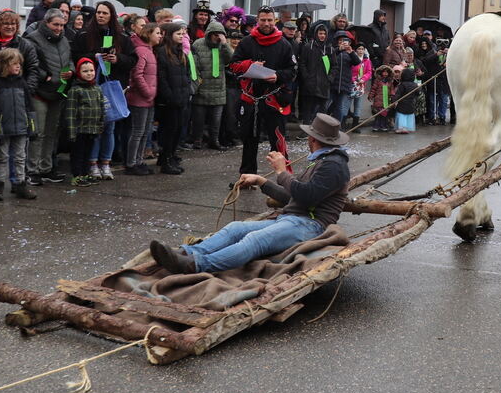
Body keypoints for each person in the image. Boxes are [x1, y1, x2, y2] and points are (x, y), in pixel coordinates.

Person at [148, 113, 351, 274]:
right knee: (236, 228)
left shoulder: (333, 165)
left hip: (310, 225)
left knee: (255, 240)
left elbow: (306, 196)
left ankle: (195, 265)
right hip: (293, 218)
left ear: (313, 139)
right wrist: (262, 181)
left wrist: (281, 171)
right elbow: (294, 197)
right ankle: (187, 253)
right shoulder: (322, 160)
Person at [229, 6, 297, 175]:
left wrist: (278, 76)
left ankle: (285, 177)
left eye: (269, 20)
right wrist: (249, 66)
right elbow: (233, 66)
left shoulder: (284, 44)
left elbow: (293, 70)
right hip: (251, 99)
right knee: (249, 139)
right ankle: (247, 175)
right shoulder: (246, 42)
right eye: (263, 20)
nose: (266, 23)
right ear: (257, 21)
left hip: (274, 98)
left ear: (274, 20)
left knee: (278, 140)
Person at [73, 0, 135, 169]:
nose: (100, 16)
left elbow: (132, 60)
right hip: (90, 87)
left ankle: (105, 163)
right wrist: (94, 57)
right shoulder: (84, 34)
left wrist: (118, 59)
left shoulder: (121, 37)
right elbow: (75, 56)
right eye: (98, 12)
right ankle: (92, 163)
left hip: (112, 87)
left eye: (104, 13)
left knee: (109, 127)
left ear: (111, 16)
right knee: (94, 128)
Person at [22, 7, 72, 185]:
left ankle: (46, 168)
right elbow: (28, 63)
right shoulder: (32, 39)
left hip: (58, 93)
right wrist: (45, 75)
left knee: (51, 133)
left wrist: (71, 71)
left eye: (61, 25)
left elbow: (69, 60)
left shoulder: (64, 40)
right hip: (40, 93)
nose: (59, 28)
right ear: (46, 23)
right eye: (55, 25)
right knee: (38, 133)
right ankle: (32, 170)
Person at [0, 48, 37, 201]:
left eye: (19, 64)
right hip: (3, 128)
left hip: (21, 127)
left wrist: (32, 127)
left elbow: (29, 106)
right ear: (4, 65)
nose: (18, 67)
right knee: (1, 157)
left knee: (20, 157)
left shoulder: (22, 83)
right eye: (14, 63)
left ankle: (20, 184)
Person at [154, 22, 192, 174]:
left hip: (181, 98)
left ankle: (169, 156)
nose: (182, 37)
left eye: (183, 34)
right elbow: (162, 78)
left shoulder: (181, 52)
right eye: (178, 34)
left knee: (177, 130)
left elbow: (187, 75)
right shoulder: (163, 52)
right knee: (169, 131)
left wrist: (186, 92)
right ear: (170, 36)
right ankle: (166, 160)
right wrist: (170, 96)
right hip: (169, 101)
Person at [61, 58, 106, 187]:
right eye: (85, 71)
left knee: (88, 153)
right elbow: (70, 113)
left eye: (91, 70)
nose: (89, 73)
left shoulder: (97, 88)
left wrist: (101, 124)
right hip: (79, 129)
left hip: (92, 128)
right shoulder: (75, 90)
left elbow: (102, 108)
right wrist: (71, 131)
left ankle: (85, 173)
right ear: (79, 72)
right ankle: (76, 175)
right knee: (78, 154)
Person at [124, 21, 160, 176]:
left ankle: (139, 161)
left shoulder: (149, 50)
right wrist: (147, 92)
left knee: (146, 131)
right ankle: (131, 163)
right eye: (157, 33)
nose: (160, 36)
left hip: (149, 98)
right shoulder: (140, 51)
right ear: (149, 34)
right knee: (138, 131)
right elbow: (137, 75)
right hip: (140, 98)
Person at [189, 20, 231, 150]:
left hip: (218, 89)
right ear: (209, 34)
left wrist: (225, 44)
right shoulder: (198, 44)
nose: (217, 37)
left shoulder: (223, 46)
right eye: (215, 34)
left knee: (216, 120)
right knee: (198, 120)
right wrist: (196, 83)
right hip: (202, 88)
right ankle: (197, 141)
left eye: (220, 34)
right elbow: (194, 65)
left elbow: (232, 60)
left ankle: (214, 141)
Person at [297, 23, 330, 124]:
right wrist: (307, 77)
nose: (322, 36)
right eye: (320, 33)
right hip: (310, 84)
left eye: (324, 34)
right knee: (308, 108)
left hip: (323, 84)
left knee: (322, 109)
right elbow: (302, 63)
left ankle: (320, 130)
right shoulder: (308, 47)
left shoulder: (329, 48)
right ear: (316, 34)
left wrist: (330, 78)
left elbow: (334, 66)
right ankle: (306, 129)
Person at [327, 30, 361, 125]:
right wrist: (338, 50)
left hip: (344, 84)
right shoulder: (332, 49)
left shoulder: (349, 52)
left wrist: (351, 52)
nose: (343, 42)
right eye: (341, 40)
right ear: (337, 41)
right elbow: (328, 59)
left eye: (345, 41)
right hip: (332, 83)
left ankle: (337, 127)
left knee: (340, 107)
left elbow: (357, 62)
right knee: (326, 105)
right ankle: (323, 125)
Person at [369, 65, 396, 131]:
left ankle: (383, 125)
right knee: (378, 114)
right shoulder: (377, 81)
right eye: (384, 72)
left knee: (385, 114)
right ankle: (376, 126)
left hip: (386, 100)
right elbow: (373, 89)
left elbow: (392, 90)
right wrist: (371, 96)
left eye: (387, 72)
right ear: (381, 73)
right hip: (378, 99)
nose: (385, 74)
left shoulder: (390, 82)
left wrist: (393, 96)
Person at [393, 66, 418, 134]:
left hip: (402, 103)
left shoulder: (402, 85)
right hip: (411, 103)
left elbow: (398, 94)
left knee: (402, 115)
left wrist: (394, 101)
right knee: (409, 115)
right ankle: (409, 127)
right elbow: (417, 93)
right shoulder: (415, 85)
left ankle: (402, 128)